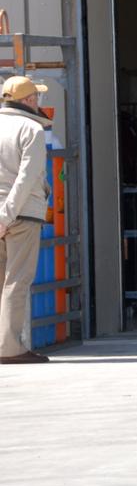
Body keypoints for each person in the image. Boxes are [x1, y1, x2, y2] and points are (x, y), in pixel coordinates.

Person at [0, 76, 52, 364]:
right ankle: (10, 348)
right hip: (21, 215)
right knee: (16, 282)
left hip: (3, 214)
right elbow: (27, 176)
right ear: (29, 100)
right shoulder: (32, 129)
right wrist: (6, 215)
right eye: (36, 97)